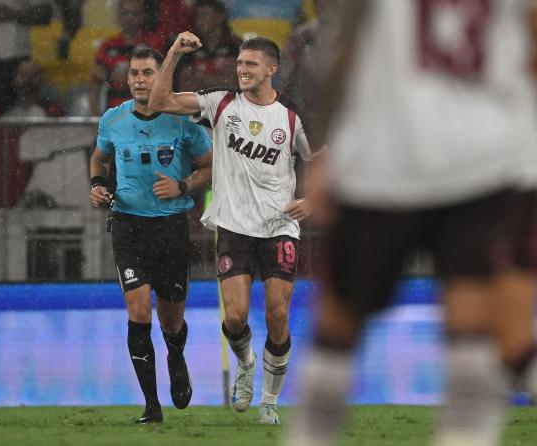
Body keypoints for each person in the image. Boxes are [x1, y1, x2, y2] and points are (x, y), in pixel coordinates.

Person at [289, 1, 537, 445]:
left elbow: (343, 42)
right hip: (484, 160)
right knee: (474, 332)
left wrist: (328, 148)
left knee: (338, 325)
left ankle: (309, 435)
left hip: (388, 156)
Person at [149, 32, 315, 424]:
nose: (241, 70)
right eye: (239, 64)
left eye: (250, 65)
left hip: (279, 228)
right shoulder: (219, 103)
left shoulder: (291, 118)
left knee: (277, 314)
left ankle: (270, 403)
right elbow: (159, 102)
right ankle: (246, 362)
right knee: (236, 318)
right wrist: (173, 53)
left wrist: (311, 200)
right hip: (234, 228)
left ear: (271, 69)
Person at [89, 47, 212, 423]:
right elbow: (99, 158)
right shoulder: (113, 119)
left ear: (162, 77)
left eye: (148, 73)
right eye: (135, 74)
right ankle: (151, 406)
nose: (141, 80)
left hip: (172, 228)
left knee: (170, 320)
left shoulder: (183, 121)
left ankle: (176, 355)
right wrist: (96, 184)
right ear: (127, 80)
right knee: (138, 310)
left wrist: (182, 185)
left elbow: (209, 167)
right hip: (128, 227)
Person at [88, 0, 165, 117]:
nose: (130, 18)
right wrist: (96, 123)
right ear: (119, 15)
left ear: (143, 16)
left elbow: (162, 79)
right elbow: (95, 85)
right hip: (115, 116)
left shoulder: (154, 43)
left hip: (148, 116)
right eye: (125, 13)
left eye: (135, 14)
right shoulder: (108, 46)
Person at [174, 0, 241, 92]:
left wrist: (201, 79)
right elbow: (183, 86)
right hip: (196, 105)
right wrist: (220, 79)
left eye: (204, 15)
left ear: (220, 17)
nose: (199, 21)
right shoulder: (189, 47)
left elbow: (237, 82)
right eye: (197, 16)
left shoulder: (236, 45)